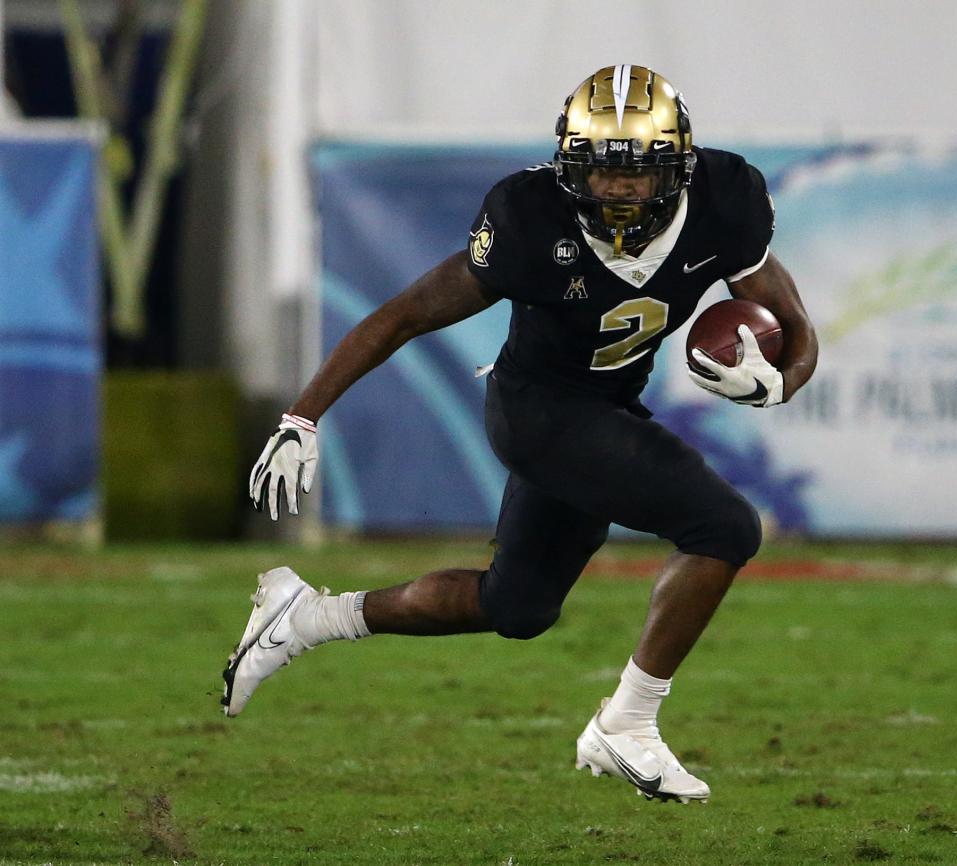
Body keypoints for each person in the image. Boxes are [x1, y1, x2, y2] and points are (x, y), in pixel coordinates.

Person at [222, 64, 818, 803]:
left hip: (607, 409)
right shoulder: (529, 218)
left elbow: (796, 332)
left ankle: (308, 616)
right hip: (537, 412)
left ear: (680, 168)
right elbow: (403, 314)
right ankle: (629, 723)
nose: (619, 191)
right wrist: (300, 416)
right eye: (599, 172)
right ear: (571, 167)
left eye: (639, 174)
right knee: (725, 526)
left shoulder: (726, 204)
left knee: (518, 608)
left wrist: (777, 382)